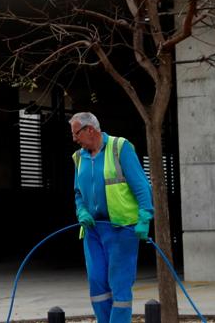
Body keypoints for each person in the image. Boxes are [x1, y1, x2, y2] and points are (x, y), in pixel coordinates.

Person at [71, 111, 153, 323]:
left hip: (121, 229)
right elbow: (78, 193)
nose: (74, 139)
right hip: (93, 230)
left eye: (76, 133)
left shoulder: (120, 147)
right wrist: (81, 211)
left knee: (119, 286)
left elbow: (141, 185)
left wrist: (144, 217)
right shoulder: (79, 157)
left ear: (90, 130)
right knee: (97, 283)